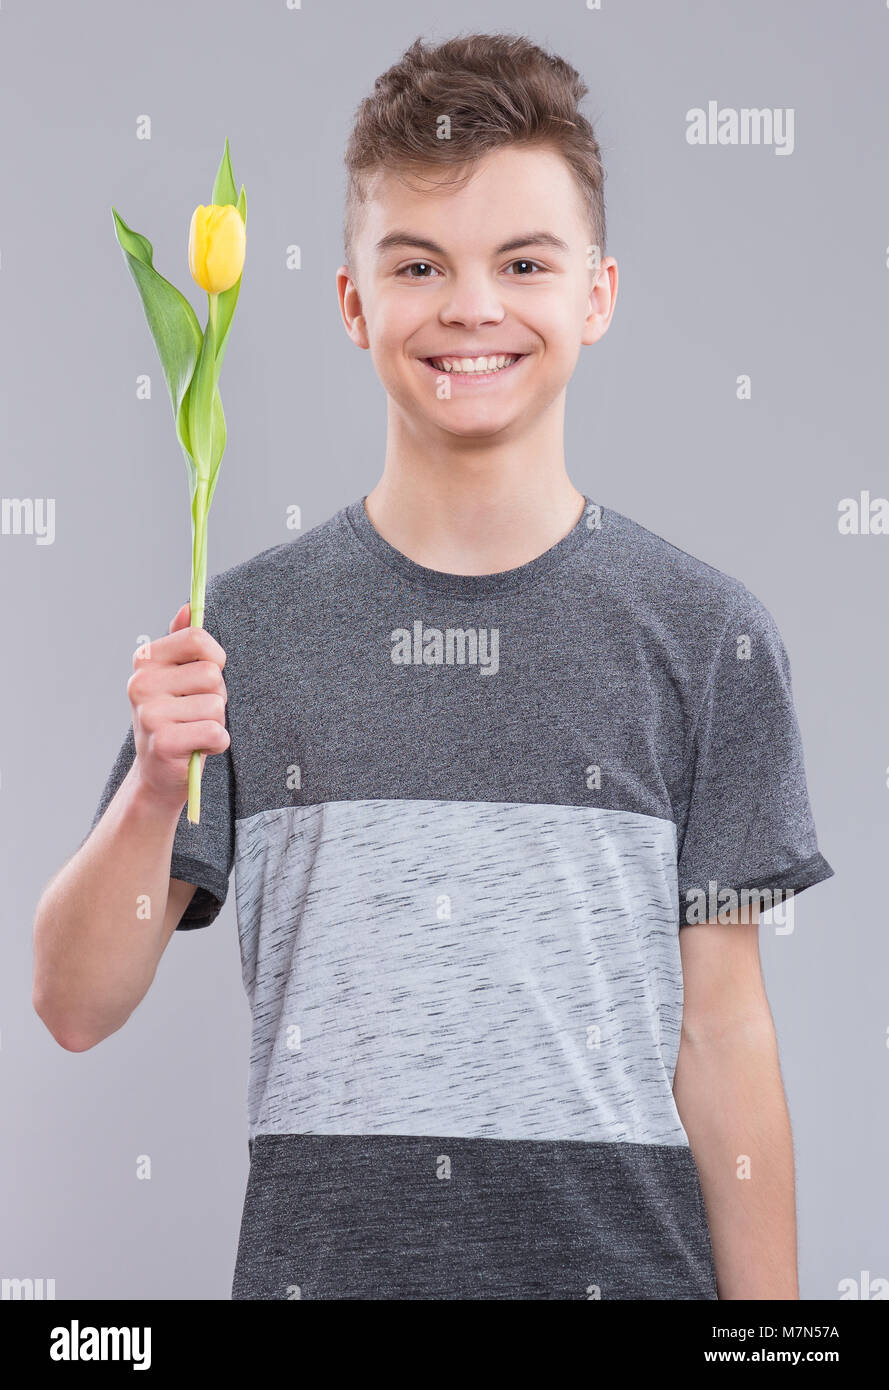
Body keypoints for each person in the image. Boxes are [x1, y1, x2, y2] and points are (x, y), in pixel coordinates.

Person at [33, 32, 834, 1300]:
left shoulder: (707, 636)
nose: (472, 306)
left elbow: (725, 1028)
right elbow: (73, 1003)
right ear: (353, 302)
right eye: (419, 264)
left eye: (523, 261)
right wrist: (149, 787)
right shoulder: (239, 631)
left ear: (596, 294)